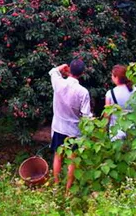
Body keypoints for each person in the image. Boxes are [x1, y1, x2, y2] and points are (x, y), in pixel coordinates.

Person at [49, 60, 92, 190]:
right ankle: (68, 190)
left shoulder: (59, 83)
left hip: (58, 127)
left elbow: (53, 71)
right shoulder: (83, 92)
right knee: (72, 160)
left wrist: (62, 67)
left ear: (69, 70)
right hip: (74, 131)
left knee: (58, 156)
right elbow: (86, 115)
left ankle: (56, 186)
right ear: (82, 73)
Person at [104, 64, 136, 141]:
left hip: (116, 131)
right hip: (132, 128)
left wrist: (104, 129)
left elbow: (107, 115)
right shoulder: (134, 90)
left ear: (116, 77)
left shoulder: (111, 93)